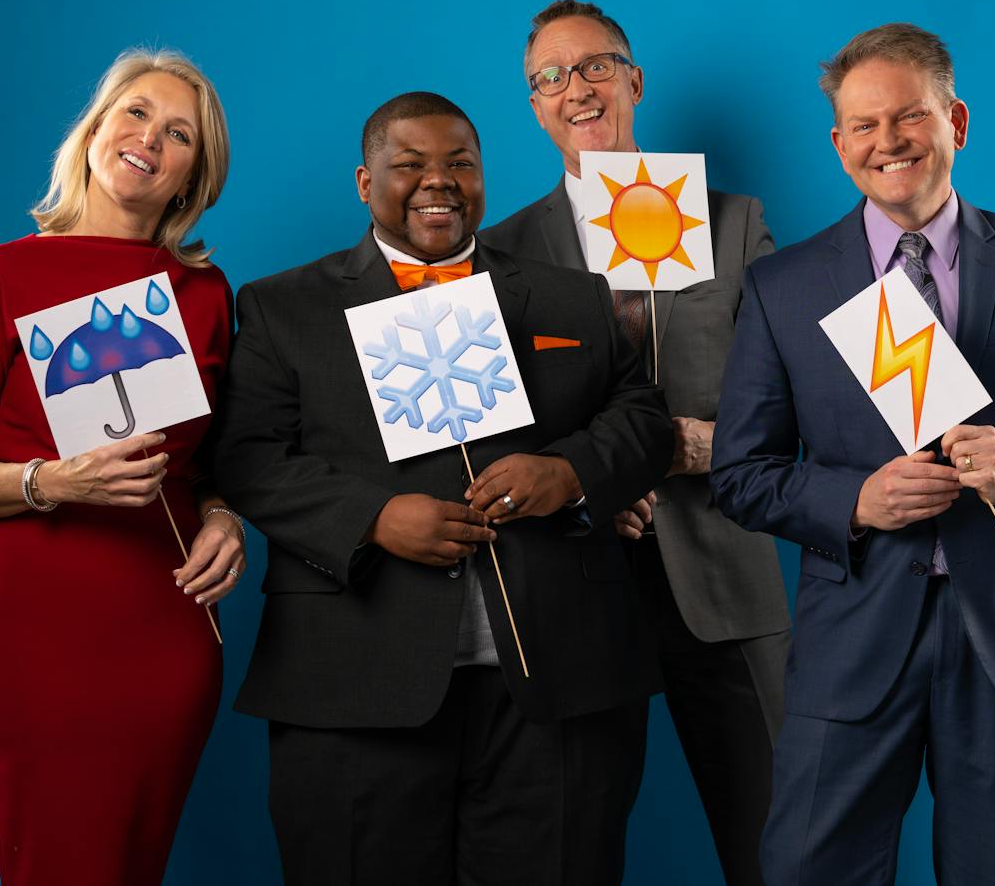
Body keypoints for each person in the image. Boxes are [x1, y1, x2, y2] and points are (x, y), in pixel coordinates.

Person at [710, 23, 995, 885]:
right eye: (865, 127)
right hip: (855, 634)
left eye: (909, 117)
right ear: (839, 145)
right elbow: (741, 476)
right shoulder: (785, 285)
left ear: (955, 121)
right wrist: (854, 501)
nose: (890, 143)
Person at [212, 91, 672, 886]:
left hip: (556, 679)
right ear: (365, 182)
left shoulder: (571, 297)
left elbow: (643, 419)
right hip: (355, 685)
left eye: (461, 163)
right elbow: (249, 457)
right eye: (411, 165)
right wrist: (372, 517)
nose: (440, 182)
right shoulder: (284, 307)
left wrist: (567, 473)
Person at [0, 49, 245, 886]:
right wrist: (50, 481)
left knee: (134, 862)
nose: (149, 139)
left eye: (179, 135)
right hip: (37, 622)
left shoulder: (204, 292)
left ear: (191, 179)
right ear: (94, 130)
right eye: (134, 112)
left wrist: (222, 519)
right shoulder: (2, 273)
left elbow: (209, 466)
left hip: (164, 623)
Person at [482, 0, 789, 885]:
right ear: (535, 107)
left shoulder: (733, 224)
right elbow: (497, 425)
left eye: (595, 67)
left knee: (777, 840)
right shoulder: (501, 254)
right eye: (550, 78)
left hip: (724, 572)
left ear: (633, 81)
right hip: (577, 584)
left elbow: (796, 399)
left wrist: (708, 447)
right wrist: (591, 480)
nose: (575, 89)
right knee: (569, 851)